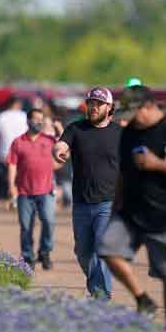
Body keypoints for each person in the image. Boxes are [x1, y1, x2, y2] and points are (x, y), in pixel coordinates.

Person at [96, 86, 166, 332]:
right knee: (107, 248)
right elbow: (123, 171)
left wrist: (157, 164)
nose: (129, 118)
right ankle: (143, 299)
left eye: (134, 112)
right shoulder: (129, 133)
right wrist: (115, 206)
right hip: (132, 210)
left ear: (148, 107)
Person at [53, 87, 120, 300]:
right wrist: (59, 151)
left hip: (108, 203)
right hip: (81, 202)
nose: (93, 107)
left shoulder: (120, 134)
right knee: (83, 253)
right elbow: (61, 144)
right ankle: (97, 287)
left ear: (109, 108)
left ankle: (102, 295)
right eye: (91, 103)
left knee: (102, 249)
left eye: (99, 104)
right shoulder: (76, 129)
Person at [8, 108, 59, 270]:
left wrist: (60, 130)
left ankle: (45, 252)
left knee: (49, 221)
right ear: (28, 121)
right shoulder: (18, 142)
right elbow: (12, 165)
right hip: (24, 191)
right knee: (26, 226)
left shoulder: (50, 140)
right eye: (35, 118)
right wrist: (11, 187)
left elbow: (64, 154)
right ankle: (28, 256)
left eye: (41, 119)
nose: (38, 122)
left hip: (46, 190)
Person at [0, 97, 26, 200]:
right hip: (21, 155)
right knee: (20, 181)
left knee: (3, 182)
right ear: (17, 104)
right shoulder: (24, 116)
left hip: (3, 154)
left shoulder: (1, 116)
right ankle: (17, 199)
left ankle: (3, 199)